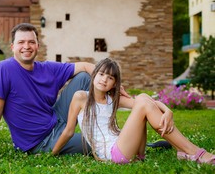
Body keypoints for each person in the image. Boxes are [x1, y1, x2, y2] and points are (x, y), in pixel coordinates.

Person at [52, 58, 215, 165]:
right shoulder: (80, 97)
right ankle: (194, 153)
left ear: (114, 84)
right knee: (143, 101)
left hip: (131, 150)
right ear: (93, 75)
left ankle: (185, 151)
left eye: (110, 78)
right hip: (112, 155)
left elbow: (146, 102)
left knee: (143, 98)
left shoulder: (113, 99)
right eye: (101, 74)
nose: (104, 79)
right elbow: (68, 132)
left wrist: (167, 110)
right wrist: (52, 154)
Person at [0, 22, 96, 155]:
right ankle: (100, 136)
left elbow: (85, 66)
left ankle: (104, 127)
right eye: (21, 42)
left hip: (56, 120)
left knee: (85, 77)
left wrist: (116, 85)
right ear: (12, 47)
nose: (26, 46)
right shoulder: (2, 70)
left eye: (31, 42)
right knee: (97, 142)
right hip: (40, 141)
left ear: (37, 46)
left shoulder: (47, 68)